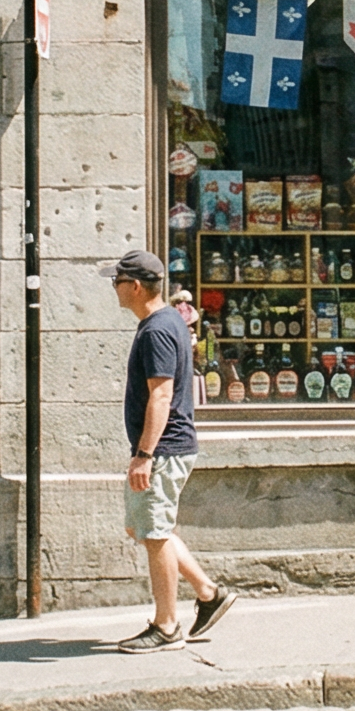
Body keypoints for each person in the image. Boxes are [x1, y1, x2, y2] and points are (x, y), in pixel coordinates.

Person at [106, 251, 231, 652]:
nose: (113, 288)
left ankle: (166, 626)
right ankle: (209, 593)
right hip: (166, 447)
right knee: (142, 527)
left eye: (116, 281)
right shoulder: (167, 321)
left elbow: (161, 396)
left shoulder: (157, 330)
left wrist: (144, 455)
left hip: (162, 448)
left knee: (155, 533)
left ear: (135, 286)